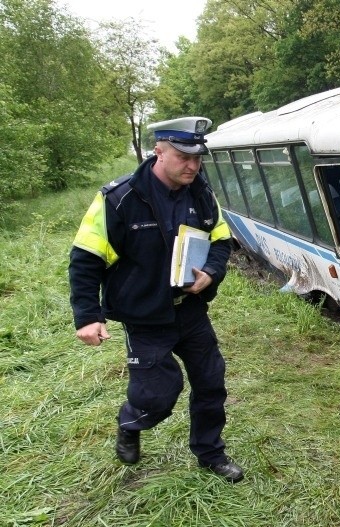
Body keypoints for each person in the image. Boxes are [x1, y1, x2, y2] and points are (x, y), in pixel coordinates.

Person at [68, 117, 244, 483]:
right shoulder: (118, 199)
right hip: (145, 317)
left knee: (211, 383)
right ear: (159, 151)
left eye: (198, 158)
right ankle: (131, 421)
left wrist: (211, 272)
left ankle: (210, 453)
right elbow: (86, 258)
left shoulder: (202, 193)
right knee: (159, 395)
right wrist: (88, 316)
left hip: (191, 312)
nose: (193, 166)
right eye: (183, 156)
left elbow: (221, 240)